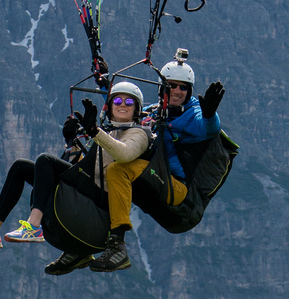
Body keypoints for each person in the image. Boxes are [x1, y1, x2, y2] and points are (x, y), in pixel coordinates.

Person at [0, 82, 151, 275]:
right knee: (20, 167)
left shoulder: (140, 133)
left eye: (129, 102)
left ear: (137, 109)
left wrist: (95, 132)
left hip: (103, 203)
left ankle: (33, 227)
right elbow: (78, 168)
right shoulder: (106, 133)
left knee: (46, 161)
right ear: (110, 107)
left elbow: (125, 154)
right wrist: (71, 142)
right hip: (87, 192)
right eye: (117, 100)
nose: (123, 104)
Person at [90, 54, 225, 273]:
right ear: (163, 87)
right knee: (103, 166)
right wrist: (107, 85)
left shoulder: (192, 114)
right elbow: (128, 112)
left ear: (189, 91)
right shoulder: (156, 111)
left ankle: (117, 245)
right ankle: (86, 236)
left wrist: (210, 115)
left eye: (183, 87)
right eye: (171, 85)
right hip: (153, 174)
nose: (177, 91)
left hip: (175, 186)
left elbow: (206, 128)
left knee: (118, 171)